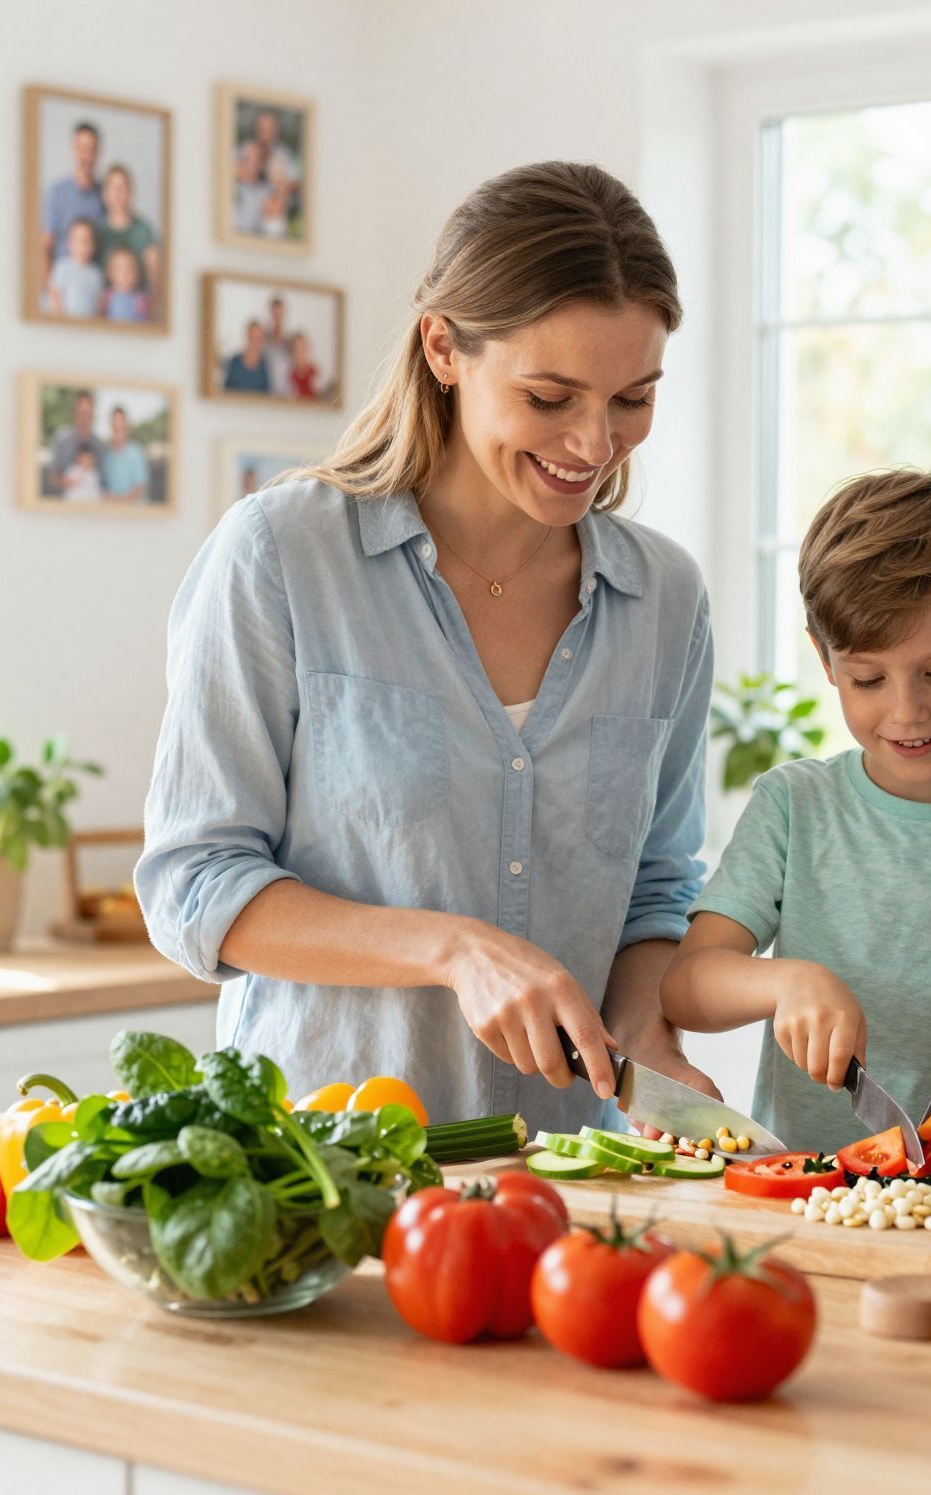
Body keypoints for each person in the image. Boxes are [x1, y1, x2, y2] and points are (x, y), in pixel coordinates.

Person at [136, 161, 718, 1131]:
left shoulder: (663, 599)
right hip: (324, 1173)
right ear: (443, 348)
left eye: (632, 398)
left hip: (569, 1184)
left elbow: (654, 890)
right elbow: (194, 886)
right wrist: (453, 949)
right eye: (548, 397)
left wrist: (648, 1042)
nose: (593, 443)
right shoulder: (282, 556)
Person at [660, 469, 931, 1168]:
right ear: (825, 662)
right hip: (798, 1195)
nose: (906, 711)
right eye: (869, 679)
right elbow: (687, 987)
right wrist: (786, 982)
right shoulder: (794, 805)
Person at [39, 118, 103, 274]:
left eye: (91, 150)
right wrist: (51, 291)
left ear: (97, 153)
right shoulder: (55, 192)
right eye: (82, 149)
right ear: (73, 150)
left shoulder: (104, 194)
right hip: (63, 288)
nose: (86, 156)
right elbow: (44, 247)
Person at [96, 163, 161, 313]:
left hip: (137, 308)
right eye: (113, 188)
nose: (118, 194)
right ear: (105, 194)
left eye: (122, 188)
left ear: (131, 193)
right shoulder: (98, 229)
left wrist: (153, 306)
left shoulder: (143, 229)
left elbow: (155, 272)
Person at [44, 216, 103, 318]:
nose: (82, 246)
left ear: (93, 245)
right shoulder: (62, 267)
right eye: (78, 240)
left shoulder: (96, 273)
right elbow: (54, 296)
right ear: (69, 243)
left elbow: (99, 303)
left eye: (86, 241)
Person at [45, 390, 101, 496]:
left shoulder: (99, 444)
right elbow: (52, 479)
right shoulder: (61, 440)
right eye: (81, 413)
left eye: (87, 413)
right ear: (74, 413)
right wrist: (67, 481)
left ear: (93, 415)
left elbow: (100, 483)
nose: (84, 418)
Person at [100, 406, 150, 502]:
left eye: (120, 424)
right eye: (114, 424)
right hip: (113, 512)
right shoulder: (106, 456)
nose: (117, 427)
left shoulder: (136, 453)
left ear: (126, 426)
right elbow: (103, 487)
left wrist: (122, 501)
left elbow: (140, 488)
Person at [223, 320, 272, 393]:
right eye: (252, 338)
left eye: (258, 339)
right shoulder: (234, 363)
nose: (254, 343)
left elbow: (267, 396)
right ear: (246, 337)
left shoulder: (265, 367)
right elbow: (225, 391)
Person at [103, 246, 148, 322]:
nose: (124, 274)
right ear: (110, 273)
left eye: (128, 269)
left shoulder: (141, 299)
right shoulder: (107, 296)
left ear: (136, 274)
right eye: (119, 269)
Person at [287, 332, 319, 399]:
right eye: (297, 349)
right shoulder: (289, 374)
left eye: (303, 348)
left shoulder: (316, 372)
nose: (300, 352)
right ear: (292, 351)